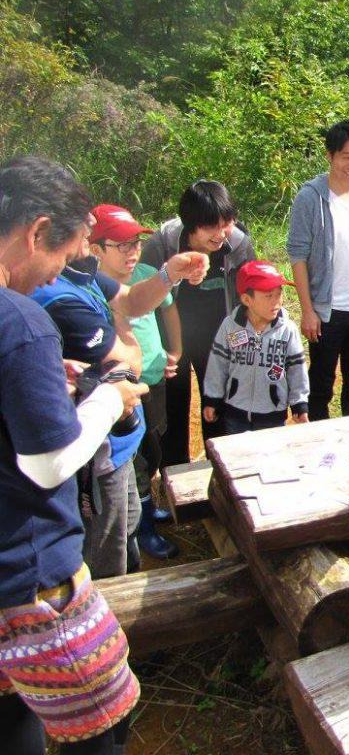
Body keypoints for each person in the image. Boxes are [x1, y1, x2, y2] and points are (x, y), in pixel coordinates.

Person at [0, 155, 149, 755]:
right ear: (36, 232)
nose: (57, 273)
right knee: (104, 725)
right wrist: (110, 401)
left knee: (13, 721)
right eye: (61, 255)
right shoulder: (22, 321)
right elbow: (49, 462)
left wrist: (43, 384)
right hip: (31, 578)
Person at [33, 211, 207, 580]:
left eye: (135, 242)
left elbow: (131, 300)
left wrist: (168, 273)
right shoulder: (58, 293)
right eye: (86, 228)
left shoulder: (83, 271)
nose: (89, 231)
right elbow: (129, 360)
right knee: (106, 545)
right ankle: (115, 617)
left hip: (119, 437)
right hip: (97, 448)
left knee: (125, 527)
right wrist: (122, 328)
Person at [141, 180, 256, 465]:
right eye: (211, 227)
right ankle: (175, 472)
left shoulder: (238, 245)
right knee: (173, 406)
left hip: (217, 337)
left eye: (227, 223)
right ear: (191, 223)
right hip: (172, 338)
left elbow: (249, 293)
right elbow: (143, 294)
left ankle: (219, 470)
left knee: (216, 403)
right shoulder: (162, 245)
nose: (221, 234)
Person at [89, 204, 180, 560]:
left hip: (151, 379)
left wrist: (174, 350)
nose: (132, 251)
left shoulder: (143, 275)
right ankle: (143, 531)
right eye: (122, 245)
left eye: (135, 243)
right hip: (119, 393)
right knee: (136, 460)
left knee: (153, 446)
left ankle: (145, 510)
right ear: (96, 249)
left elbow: (162, 307)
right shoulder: (94, 289)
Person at [287, 119, 349, 420]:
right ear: (329, 156)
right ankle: (318, 444)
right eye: (346, 156)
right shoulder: (311, 198)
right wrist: (307, 310)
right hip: (326, 311)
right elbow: (297, 256)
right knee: (321, 384)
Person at [203, 261, 309, 434]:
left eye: (279, 294)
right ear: (246, 299)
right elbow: (218, 363)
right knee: (237, 456)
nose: (277, 302)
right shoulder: (230, 326)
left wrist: (299, 403)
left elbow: (296, 369)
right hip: (235, 412)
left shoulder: (287, 330)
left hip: (273, 414)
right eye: (269, 296)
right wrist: (212, 398)